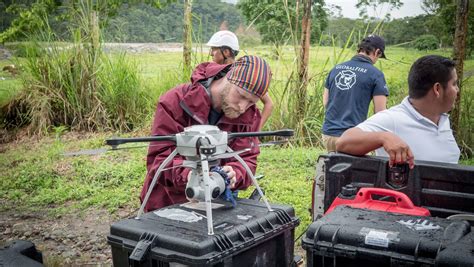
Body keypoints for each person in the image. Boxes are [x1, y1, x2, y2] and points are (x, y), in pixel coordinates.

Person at [142, 55, 272, 211]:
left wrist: (235, 173)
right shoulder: (175, 101)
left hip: (218, 206)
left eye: (251, 101)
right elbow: (158, 159)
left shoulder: (250, 116)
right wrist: (190, 176)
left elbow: (247, 160)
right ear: (229, 77)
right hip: (167, 204)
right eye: (241, 96)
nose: (243, 107)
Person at [336, 55, 460, 168]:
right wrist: (384, 137)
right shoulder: (393, 119)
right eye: (454, 84)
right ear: (437, 89)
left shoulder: (442, 119)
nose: (457, 90)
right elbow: (344, 142)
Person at [322, 35, 389, 152]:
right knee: (355, 169)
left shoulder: (335, 69)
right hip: (352, 138)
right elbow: (380, 113)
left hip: (328, 134)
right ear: (377, 52)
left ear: (359, 49)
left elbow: (326, 102)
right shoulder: (376, 74)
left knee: (332, 168)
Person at [207, 30, 274, 131]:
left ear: (226, 52)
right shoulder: (213, 72)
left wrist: (255, 132)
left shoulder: (243, 76)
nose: (211, 53)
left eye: (213, 49)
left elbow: (269, 104)